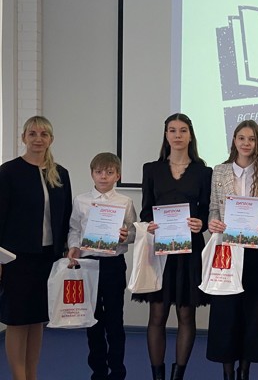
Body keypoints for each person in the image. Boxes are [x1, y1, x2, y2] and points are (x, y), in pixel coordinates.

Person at [132, 113, 212, 380]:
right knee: (157, 314)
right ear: (166, 135)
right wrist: (150, 224)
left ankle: (178, 376)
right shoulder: (151, 169)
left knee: (186, 315)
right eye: (172, 130)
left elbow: (206, 211)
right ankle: (158, 376)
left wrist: (201, 223)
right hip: (160, 250)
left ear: (190, 135)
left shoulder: (203, 172)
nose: (178, 135)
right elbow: (145, 210)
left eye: (183, 130)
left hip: (190, 250)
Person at [0, 116, 72, 380]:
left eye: (43, 134)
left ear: (51, 139)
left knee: (37, 321)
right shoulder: (8, 172)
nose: (38, 139)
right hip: (16, 259)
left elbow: (66, 217)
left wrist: (68, 249)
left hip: (47, 258)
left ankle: (32, 375)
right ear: (24, 138)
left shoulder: (60, 174)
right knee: (18, 322)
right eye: (32, 134)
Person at [207, 120, 258, 380]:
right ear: (234, 141)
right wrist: (212, 223)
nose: (246, 143)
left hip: (255, 250)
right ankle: (227, 372)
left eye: (252, 139)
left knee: (253, 311)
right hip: (226, 248)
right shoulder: (220, 171)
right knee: (225, 312)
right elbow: (213, 209)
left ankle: (244, 370)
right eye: (241, 138)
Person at [67, 152, 137, 380]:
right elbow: (74, 229)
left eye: (109, 172)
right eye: (99, 172)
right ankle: (98, 371)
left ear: (118, 175)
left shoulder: (125, 202)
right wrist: (74, 247)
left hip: (113, 265)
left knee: (115, 320)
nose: (103, 176)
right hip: (88, 264)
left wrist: (126, 236)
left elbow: (134, 232)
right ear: (92, 174)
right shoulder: (81, 200)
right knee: (93, 319)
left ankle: (117, 371)